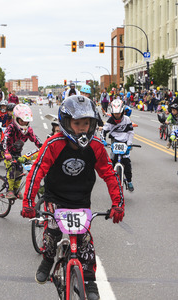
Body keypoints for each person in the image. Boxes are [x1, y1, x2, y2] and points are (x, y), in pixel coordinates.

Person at [21, 95, 124, 300]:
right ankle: (48, 260)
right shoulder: (53, 144)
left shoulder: (95, 146)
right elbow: (37, 171)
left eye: (87, 123)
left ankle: (90, 281)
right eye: (77, 124)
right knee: (52, 232)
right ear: (67, 123)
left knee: (86, 244)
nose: (82, 128)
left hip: (80, 201)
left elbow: (109, 173)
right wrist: (28, 202)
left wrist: (118, 203)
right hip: (55, 198)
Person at [2, 103, 43, 199]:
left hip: (17, 152)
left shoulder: (28, 130)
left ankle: (16, 189)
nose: (24, 123)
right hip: (7, 151)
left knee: (20, 170)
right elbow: (5, 139)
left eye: (26, 121)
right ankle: (9, 190)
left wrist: (42, 146)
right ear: (16, 119)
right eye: (22, 121)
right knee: (11, 169)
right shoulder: (11, 128)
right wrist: (6, 152)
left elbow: (35, 139)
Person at [101, 99, 135, 192]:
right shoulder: (110, 121)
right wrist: (103, 140)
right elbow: (104, 130)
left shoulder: (127, 120)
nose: (117, 116)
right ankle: (112, 182)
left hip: (125, 143)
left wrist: (129, 145)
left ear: (122, 112)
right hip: (114, 142)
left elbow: (131, 132)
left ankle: (129, 181)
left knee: (127, 162)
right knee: (112, 162)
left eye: (118, 114)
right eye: (115, 114)